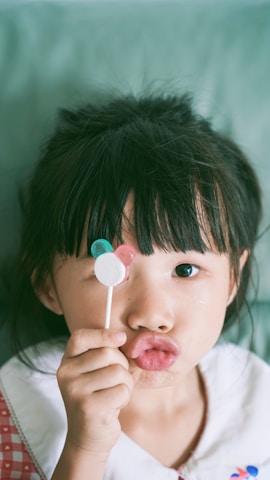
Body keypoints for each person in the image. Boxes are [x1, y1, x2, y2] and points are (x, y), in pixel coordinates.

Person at [0, 92, 269, 480]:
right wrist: (84, 448)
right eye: (112, 272)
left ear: (233, 279)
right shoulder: (20, 408)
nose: (151, 315)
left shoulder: (258, 400)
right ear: (47, 286)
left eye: (186, 270)